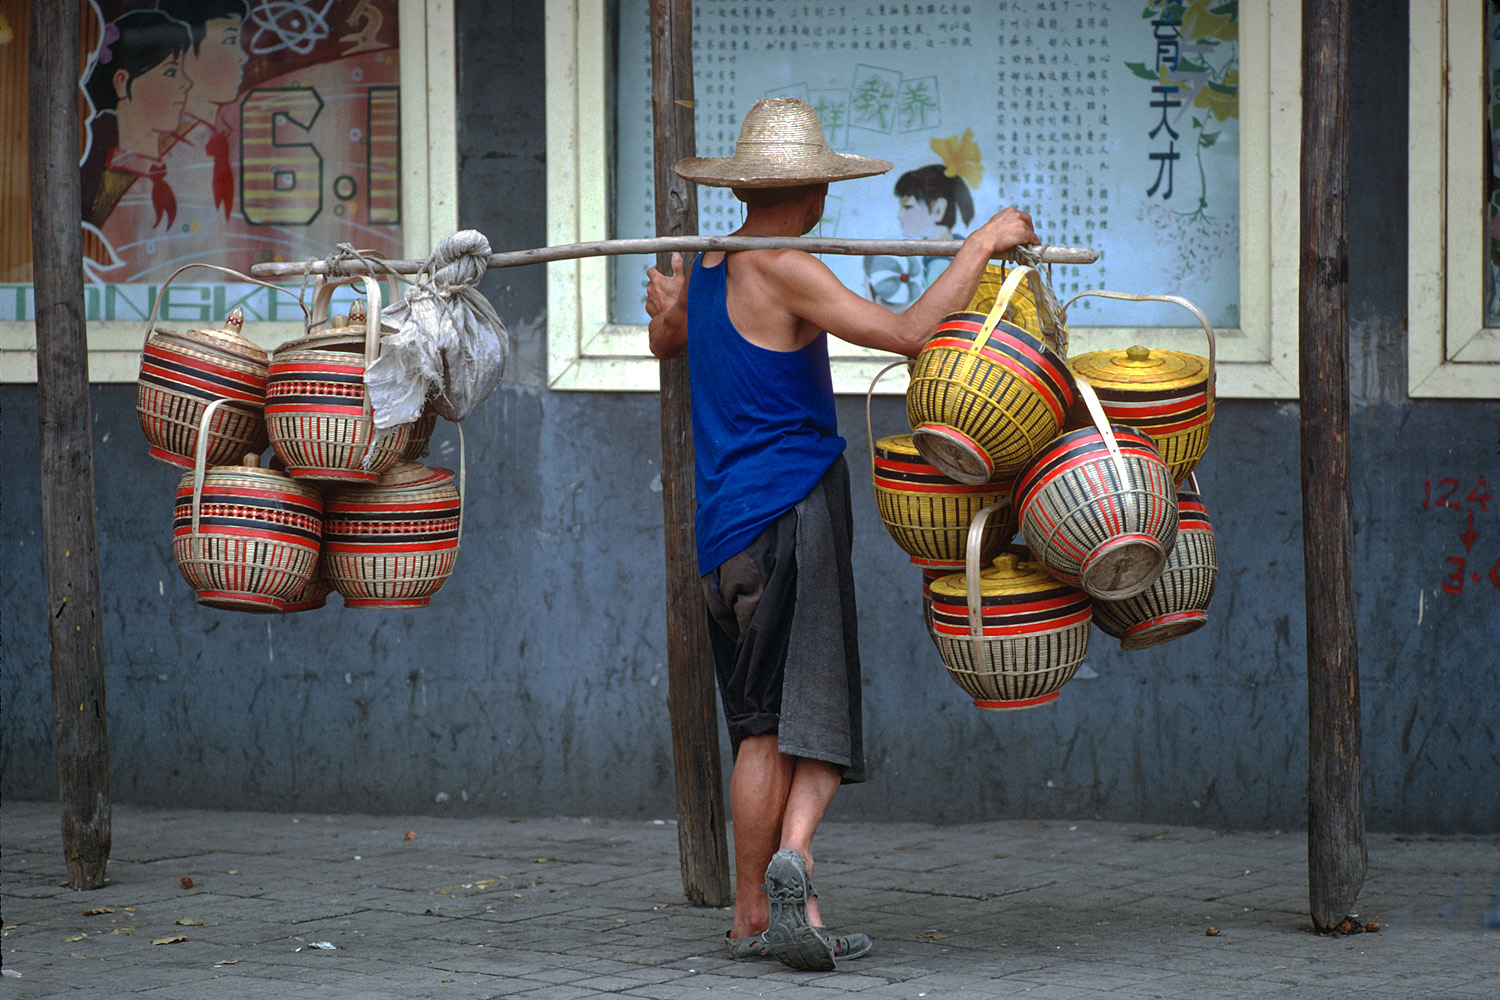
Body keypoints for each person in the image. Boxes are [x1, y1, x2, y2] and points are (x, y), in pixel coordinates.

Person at [644, 98, 1038, 972]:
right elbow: (904, 334)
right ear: (814, 186)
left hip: (722, 537)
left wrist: (666, 303)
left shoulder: (712, 260)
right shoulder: (784, 265)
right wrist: (978, 247)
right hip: (792, 517)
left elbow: (663, 337)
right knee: (818, 712)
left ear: (748, 186)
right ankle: (799, 861)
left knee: (756, 725)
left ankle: (758, 915)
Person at [80, 8, 194, 230]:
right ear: (122, 82)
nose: (185, 83)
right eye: (170, 72)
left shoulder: (184, 168)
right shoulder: (100, 181)